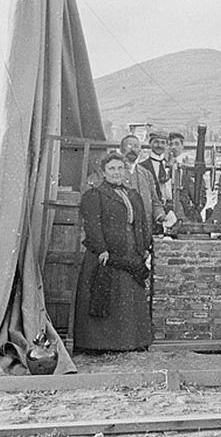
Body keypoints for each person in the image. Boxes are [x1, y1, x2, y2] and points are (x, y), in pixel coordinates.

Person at [74, 151, 152, 352]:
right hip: (107, 254)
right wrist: (102, 249)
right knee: (107, 295)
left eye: (119, 168)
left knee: (130, 296)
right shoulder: (94, 195)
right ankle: (102, 344)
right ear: (103, 172)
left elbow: (141, 223)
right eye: (111, 168)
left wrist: (143, 247)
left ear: (125, 170)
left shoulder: (133, 195)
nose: (116, 172)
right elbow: (92, 224)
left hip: (131, 251)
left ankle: (132, 341)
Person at [119, 134, 166, 233]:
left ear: (140, 151)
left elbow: (155, 202)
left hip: (144, 229)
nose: (132, 149)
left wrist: (161, 216)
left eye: (136, 146)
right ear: (121, 149)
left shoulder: (146, 174)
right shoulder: (115, 173)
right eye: (129, 146)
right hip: (121, 229)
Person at [169, 131, 206, 222]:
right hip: (170, 214)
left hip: (189, 215)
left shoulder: (191, 166)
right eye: (171, 144)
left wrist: (193, 212)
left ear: (182, 146)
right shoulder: (166, 165)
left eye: (177, 144)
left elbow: (201, 194)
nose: (173, 147)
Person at [138, 131, 173, 208]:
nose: (159, 145)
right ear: (150, 143)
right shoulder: (142, 167)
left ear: (167, 145)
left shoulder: (172, 166)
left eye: (163, 143)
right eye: (156, 142)